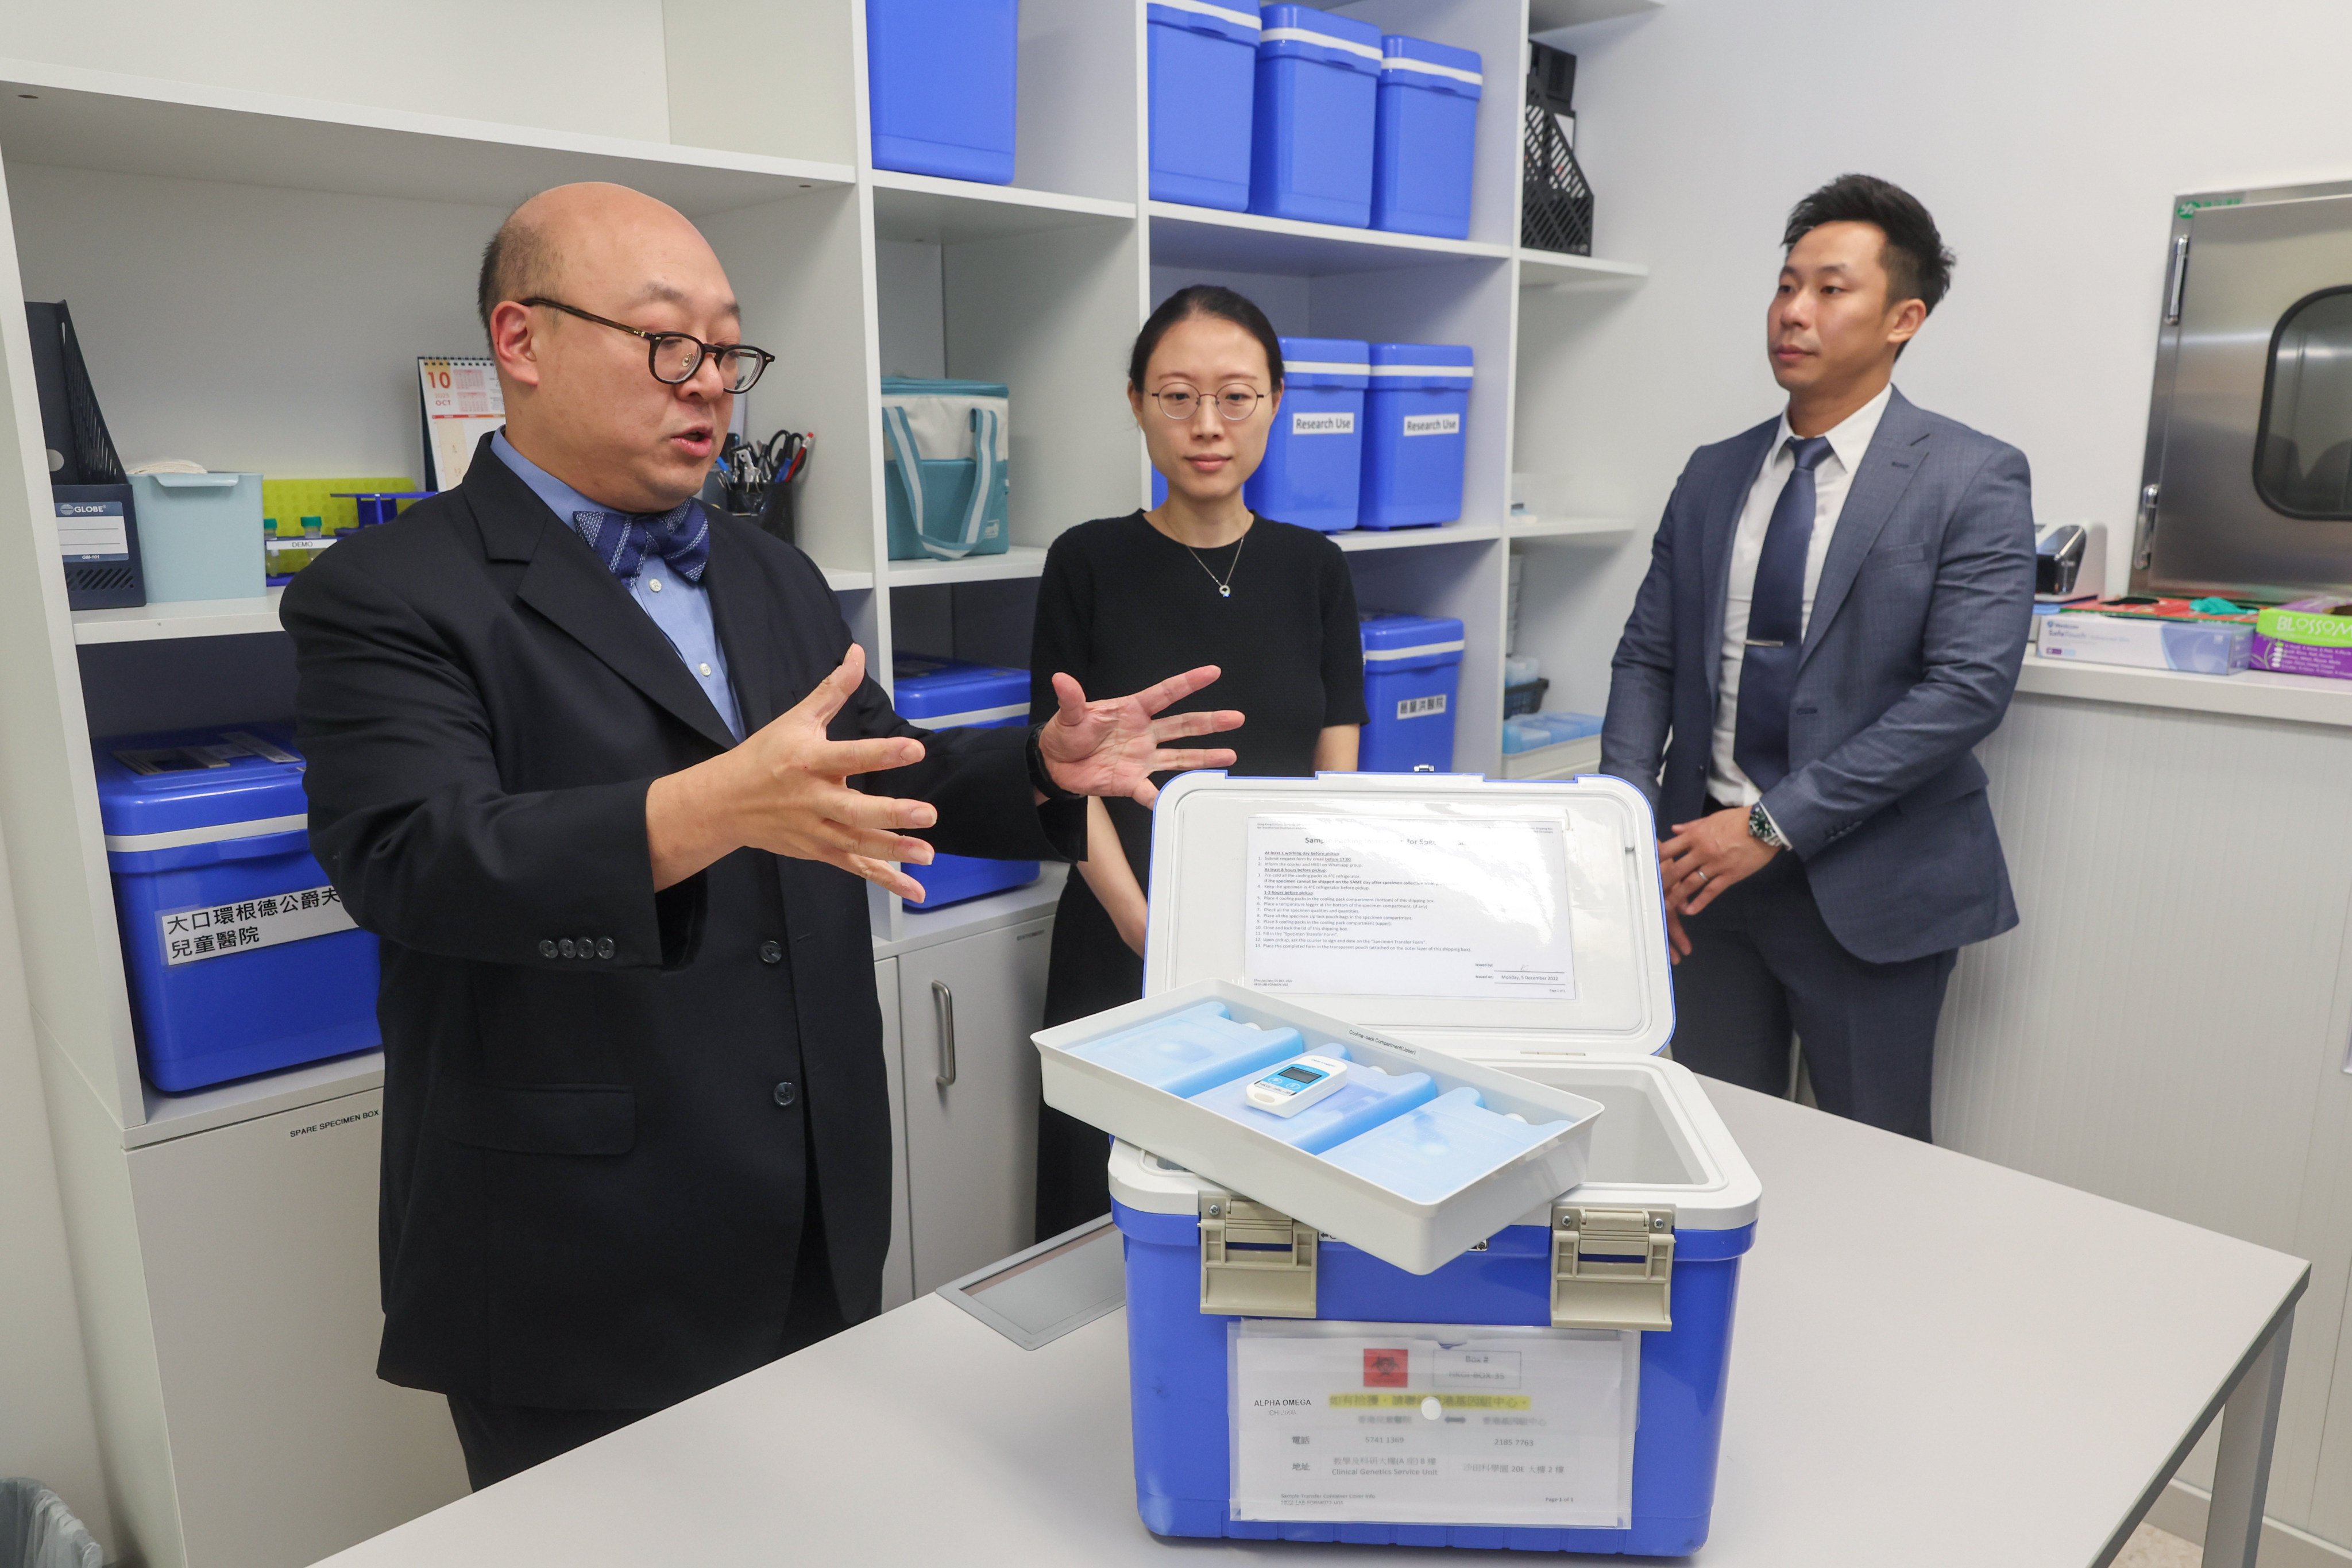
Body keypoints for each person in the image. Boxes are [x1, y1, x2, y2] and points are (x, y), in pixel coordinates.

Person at [281, 182, 1242, 1489]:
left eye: (727, 349)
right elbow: (415, 858)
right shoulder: (387, 589)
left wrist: (1038, 767)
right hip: (577, 1246)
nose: (710, 384)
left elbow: (874, 766)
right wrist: (714, 806)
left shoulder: (765, 570)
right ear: (521, 340)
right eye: (668, 342)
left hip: (809, 1195)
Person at [1600, 173, 2035, 1141]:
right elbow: (1646, 657)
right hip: (1699, 876)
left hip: (1871, 881)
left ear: (1903, 318)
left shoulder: (1974, 475)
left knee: (1872, 1158)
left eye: (1831, 289)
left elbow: (1965, 692)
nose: (1794, 311)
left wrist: (1770, 822)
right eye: (1787, 283)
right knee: (1712, 1141)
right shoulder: (1715, 470)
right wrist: (1620, 830)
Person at [1027, 285, 1367, 1239]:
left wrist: (1311, 920)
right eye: (1177, 396)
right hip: (1121, 930)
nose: (1206, 425)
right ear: (1136, 401)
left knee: (1274, 1204)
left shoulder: (1317, 567)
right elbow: (1059, 768)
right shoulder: (1086, 562)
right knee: (1111, 1211)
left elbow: (1335, 760)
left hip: (1280, 944)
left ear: (1276, 401)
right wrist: (1149, 927)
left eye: (1236, 397)